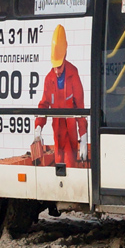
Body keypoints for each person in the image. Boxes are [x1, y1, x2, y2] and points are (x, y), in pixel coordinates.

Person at [34, 25, 88, 167]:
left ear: (64, 57)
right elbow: (44, 105)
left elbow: (80, 109)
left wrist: (83, 137)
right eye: (54, 66)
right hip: (57, 134)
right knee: (59, 169)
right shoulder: (48, 80)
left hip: (70, 137)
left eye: (59, 66)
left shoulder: (73, 75)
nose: (57, 71)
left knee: (70, 167)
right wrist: (38, 127)